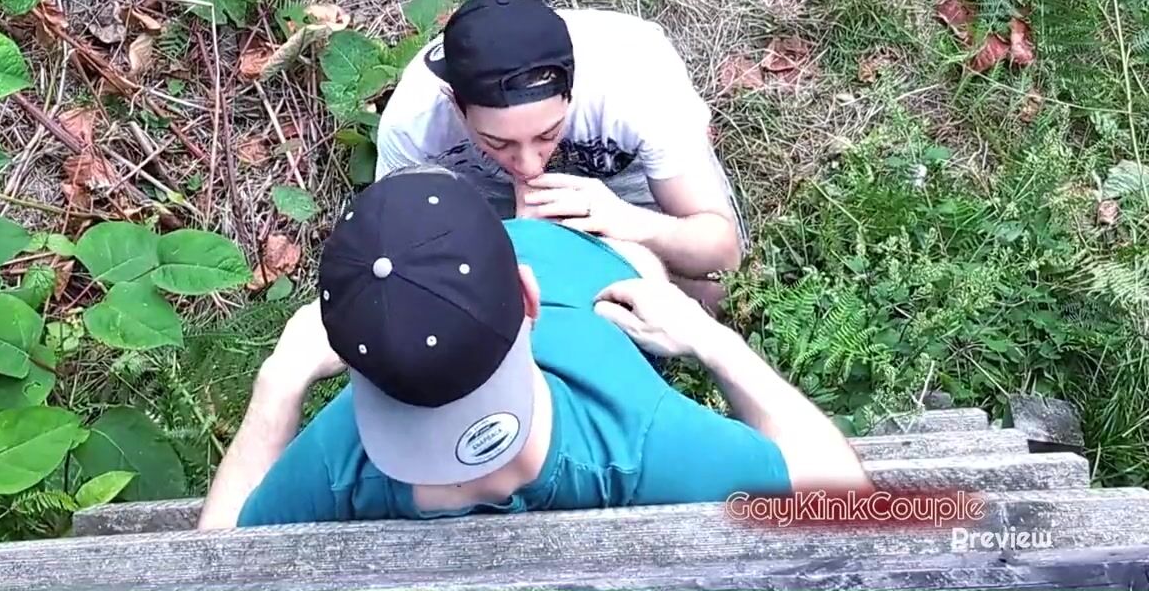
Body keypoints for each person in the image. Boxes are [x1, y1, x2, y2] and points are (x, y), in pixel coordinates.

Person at [197, 166, 871, 528]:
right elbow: (845, 498)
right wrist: (710, 339)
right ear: (528, 297)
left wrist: (278, 387)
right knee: (639, 268)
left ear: (346, 354)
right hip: (585, 271)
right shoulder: (635, 439)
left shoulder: (341, 458)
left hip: (542, 265)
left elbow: (215, 562)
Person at [374, 0, 746, 306]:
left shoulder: (637, 80)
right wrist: (516, 243)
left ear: (572, 91)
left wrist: (623, 222)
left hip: (625, 180)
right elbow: (398, 259)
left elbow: (722, 252)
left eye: (547, 134)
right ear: (456, 105)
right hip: (486, 192)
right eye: (498, 142)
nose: (529, 166)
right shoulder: (415, 121)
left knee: (711, 294)